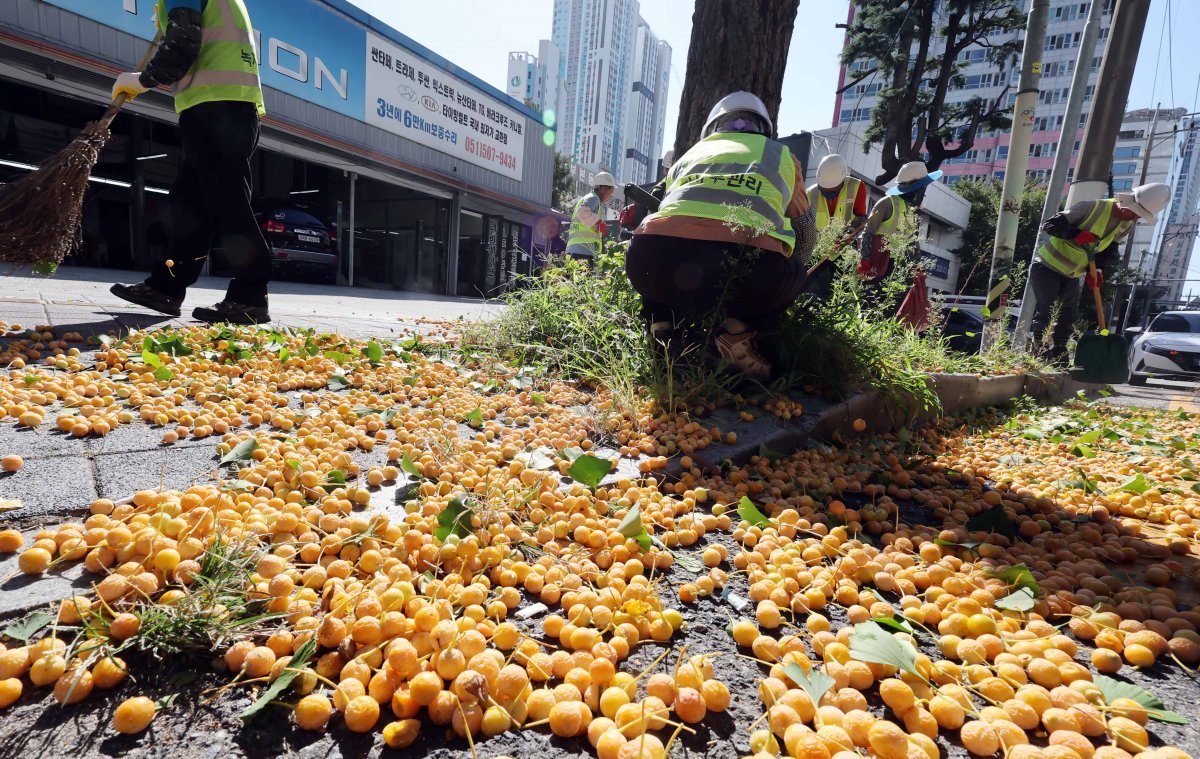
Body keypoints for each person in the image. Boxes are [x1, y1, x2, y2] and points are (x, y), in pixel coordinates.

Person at [108, 0, 273, 325]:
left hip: (217, 106)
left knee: (227, 202)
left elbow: (182, 45)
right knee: (191, 204)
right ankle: (166, 287)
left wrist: (142, 79)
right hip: (225, 106)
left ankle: (250, 296)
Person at [626, 91, 810, 380]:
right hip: (746, 269)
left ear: (712, 128)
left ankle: (663, 330)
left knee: (661, 247)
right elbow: (802, 219)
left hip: (647, 263)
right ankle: (738, 333)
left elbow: (663, 210)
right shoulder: (782, 156)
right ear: (763, 128)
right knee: (795, 271)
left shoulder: (690, 155)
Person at [1029, 182, 1170, 361]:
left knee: (1068, 314)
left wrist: (1099, 270)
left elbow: (1108, 249)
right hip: (1047, 266)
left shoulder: (1127, 225)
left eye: (1139, 216)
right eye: (1135, 212)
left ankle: (1058, 351)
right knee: (1046, 310)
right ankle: (1039, 351)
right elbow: (1050, 225)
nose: (1135, 217)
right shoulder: (1090, 208)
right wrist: (1076, 234)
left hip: (1072, 273)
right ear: (1127, 202)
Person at [858, 161, 942, 280]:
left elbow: (911, 240)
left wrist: (918, 267)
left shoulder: (909, 209)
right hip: (876, 263)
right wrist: (864, 260)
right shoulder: (886, 203)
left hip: (896, 266)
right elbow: (867, 232)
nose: (922, 189)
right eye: (921, 185)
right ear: (914, 186)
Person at [805, 153, 867, 295]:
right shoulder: (811, 193)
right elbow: (805, 224)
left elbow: (861, 218)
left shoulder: (857, 187)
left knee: (841, 290)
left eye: (832, 191)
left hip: (845, 247)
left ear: (842, 182)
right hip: (818, 249)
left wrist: (847, 237)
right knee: (806, 286)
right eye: (823, 190)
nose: (827, 194)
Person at [565, 173, 616, 261]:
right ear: (603, 189)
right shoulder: (593, 198)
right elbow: (582, 212)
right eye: (610, 193)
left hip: (576, 249)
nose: (610, 197)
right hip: (582, 251)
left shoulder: (589, 198)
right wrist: (599, 224)